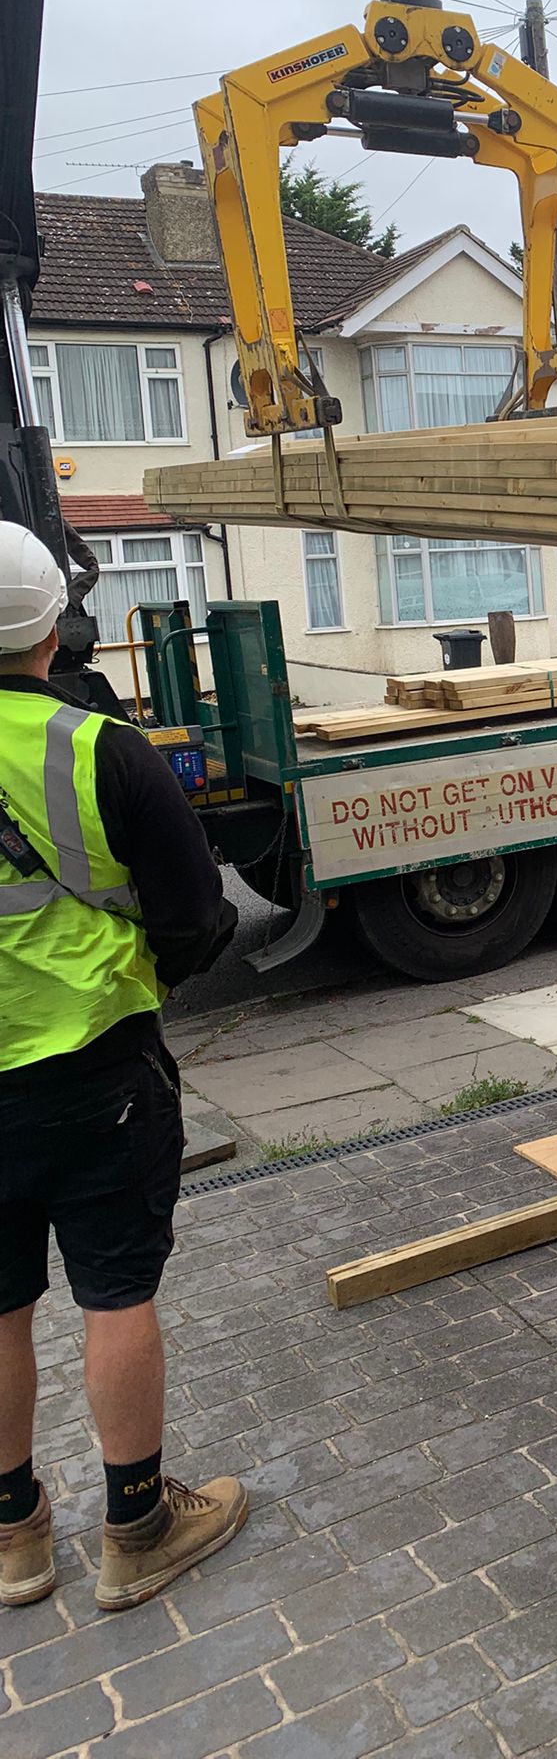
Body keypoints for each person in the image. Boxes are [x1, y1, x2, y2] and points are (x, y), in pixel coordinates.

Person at [0, 521, 242, 1610]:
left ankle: (15, 1537)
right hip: (97, 1067)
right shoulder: (101, 749)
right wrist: (150, 974)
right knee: (115, 1292)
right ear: (52, 629)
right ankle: (136, 1527)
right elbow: (196, 913)